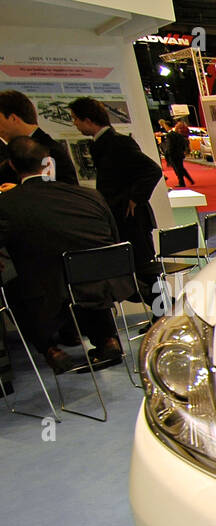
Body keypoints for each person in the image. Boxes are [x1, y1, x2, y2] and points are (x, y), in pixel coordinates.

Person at [0, 136, 130, 373]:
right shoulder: (89, 195)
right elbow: (113, 236)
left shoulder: (8, 204)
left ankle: (51, 350)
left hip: (47, 292)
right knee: (82, 276)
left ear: (11, 166)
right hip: (105, 283)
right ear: (47, 162)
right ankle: (108, 340)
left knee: (15, 285)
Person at [66, 96, 163, 288]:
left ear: (88, 120)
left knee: (145, 271)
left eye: (76, 119)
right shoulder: (104, 143)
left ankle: (163, 312)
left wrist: (135, 197)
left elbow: (152, 170)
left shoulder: (117, 143)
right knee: (136, 272)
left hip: (132, 220)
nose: (75, 124)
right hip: (122, 218)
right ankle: (160, 310)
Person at [0, 89, 78, 186]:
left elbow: (66, 193)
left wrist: (16, 191)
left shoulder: (52, 151)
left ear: (13, 118)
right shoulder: (7, 149)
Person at [162, 117, 195, 187]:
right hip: (179, 154)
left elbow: (169, 146)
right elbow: (183, 143)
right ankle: (189, 180)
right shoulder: (177, 134)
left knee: (178, 169)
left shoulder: (169, 135)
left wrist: (167, 154)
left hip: (174, 155)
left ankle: (182, 182)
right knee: (181, 168)